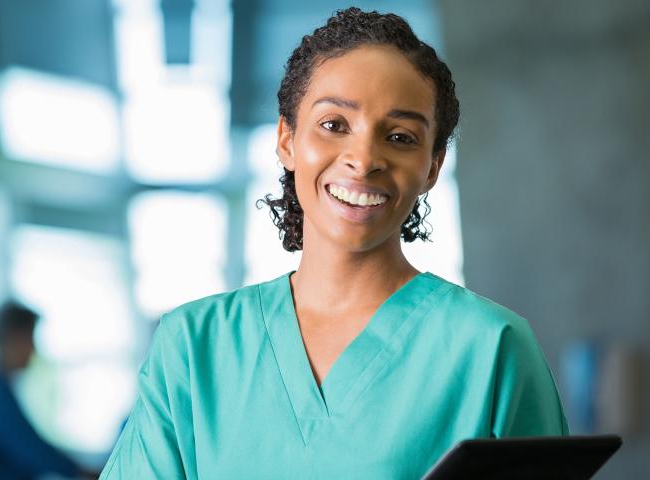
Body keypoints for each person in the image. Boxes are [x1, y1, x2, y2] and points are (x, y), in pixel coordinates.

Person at [100, 8, 568, 479]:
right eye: (334, 124)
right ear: (286, 138)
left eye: (401, 136)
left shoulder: (491, 348)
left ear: (431, 166)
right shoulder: (193, 346)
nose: (363, 161)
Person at [0, 300, 97, 480]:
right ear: (11, 339)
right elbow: (34, 452)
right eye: (30, 339)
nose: (33, 350)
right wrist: (86, 473)